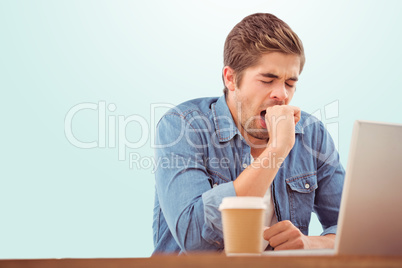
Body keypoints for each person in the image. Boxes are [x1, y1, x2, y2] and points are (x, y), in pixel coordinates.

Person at [152, 13, 344, 254]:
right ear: (231, 79)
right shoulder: (182, 127)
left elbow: (353, 229)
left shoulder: (312, 133)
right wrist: (277, 150)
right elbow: (194, 238)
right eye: (267, 80)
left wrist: (310, 243)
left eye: (290, 83)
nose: (282, 94)